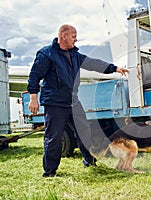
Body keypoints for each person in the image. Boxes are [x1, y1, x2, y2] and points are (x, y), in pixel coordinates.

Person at [27, 24, 128, 177]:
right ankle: (49, 172)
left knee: (84, 132)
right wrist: (33, 98)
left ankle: (89, 161)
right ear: (63, 37)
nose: (76, 39)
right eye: (73, 36)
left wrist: (114, 68)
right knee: (54, 138)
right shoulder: (47, 54)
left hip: (73, 101)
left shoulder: (75, 55)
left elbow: (94, 63)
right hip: (54, 103)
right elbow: (34, 76)